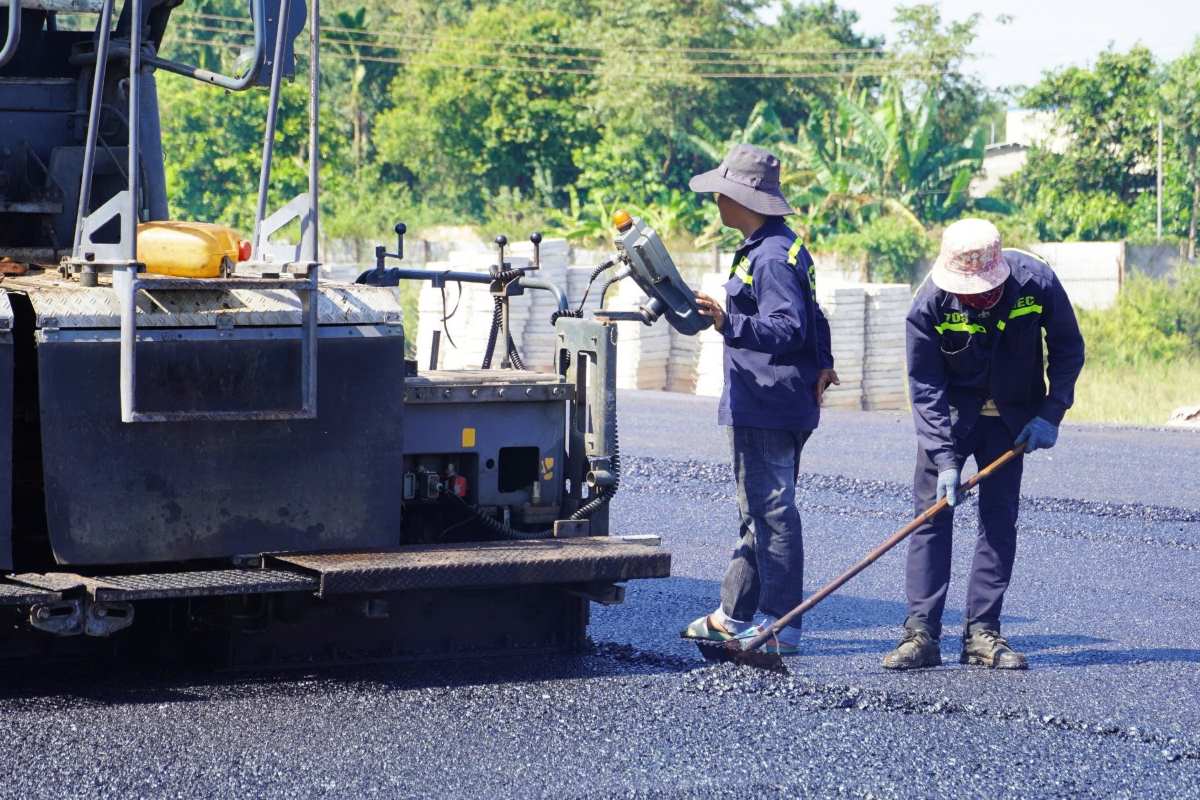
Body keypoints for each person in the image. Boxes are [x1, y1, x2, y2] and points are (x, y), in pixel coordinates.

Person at [883, 218, 1085, 671]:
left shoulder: (1037, 283)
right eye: (967, 291)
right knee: (931, 520)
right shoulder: (929, 302)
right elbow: (926, 384)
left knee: (998, 521)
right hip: (952, 420)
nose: (976, 297)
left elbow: (1069, 349)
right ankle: (921, 635)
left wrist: (1051, 413)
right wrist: (943, 455)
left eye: (984, 290)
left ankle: (982, 634)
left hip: (1013, 422)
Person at [679, 144, 839, 656]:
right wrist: (825, 360)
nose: (715, 203)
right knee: (758, 512)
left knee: (771, 513)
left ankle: (781, 625)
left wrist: (729, 322)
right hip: (775, 399)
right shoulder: (778, 246)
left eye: (719, 194)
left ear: (738, 197)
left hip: (767, 402)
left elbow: (788, 324)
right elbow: (815, 316)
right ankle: (732, 615)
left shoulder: (769, 256)